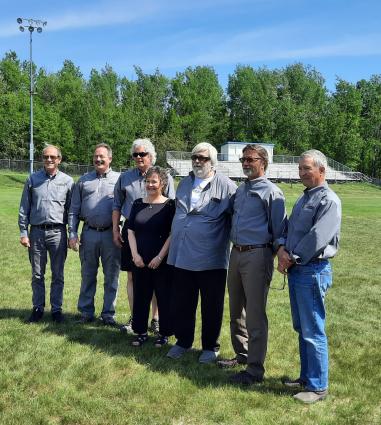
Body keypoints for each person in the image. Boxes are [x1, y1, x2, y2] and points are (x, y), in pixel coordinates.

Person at [217, 144, 287, 385]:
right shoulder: (241, 190)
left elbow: (279, 230)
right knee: (236, 310)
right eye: (243, 159)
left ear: (263, 162)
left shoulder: (273, 193)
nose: (245, 163)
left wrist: (279, 255)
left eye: (250, 159)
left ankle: (255, 370)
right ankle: (242, 355)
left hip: (258, 255)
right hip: (235, 253)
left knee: (255, 315)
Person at [277, 149, 341, 404]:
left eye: (307, 168)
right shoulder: (305, 198)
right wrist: (282, 248)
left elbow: (317, 237)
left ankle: (317, 387)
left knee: (313, 330)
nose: (302, 173)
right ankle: (306, 377)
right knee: (301, 327)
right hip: (297, 270)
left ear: (322, 171)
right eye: (300, 168)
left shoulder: (329, 200)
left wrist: (290, 257)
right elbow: (291, 229)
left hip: (312, 270)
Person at [166, 142, 237, 364]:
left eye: (203, 158)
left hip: (211, 258)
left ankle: (210, 347)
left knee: (211, 304)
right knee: (183, 301)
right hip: (182, 254)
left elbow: (235, 218)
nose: (197, 161)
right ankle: (183, 341)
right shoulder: (185, 182)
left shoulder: (227, 186)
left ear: (212, 161)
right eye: (195, 157)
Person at [112, 138, 175, 333]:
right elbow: (116, 204)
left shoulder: (164, 176)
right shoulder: (125, 177)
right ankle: (136, 318)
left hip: (158, 233)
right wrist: (115, 229)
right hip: (132, 232)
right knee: (133, 276)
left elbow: (171, 205)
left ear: (151, 156)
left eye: (143, 154)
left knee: (156, 277)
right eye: (135, 154)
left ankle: (156, 318)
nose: (139, 157)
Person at [18, 145, 74, 323]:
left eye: (52, 157)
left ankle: (56, 310)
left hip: (58, 232)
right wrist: (23, 232)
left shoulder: (67, 181)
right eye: (45, 157)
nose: (49, 160)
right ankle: (38, 308)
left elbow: (72, 210)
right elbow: (24, 208)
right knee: (37, 274)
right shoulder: (32, 179)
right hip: (36, 233)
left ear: (59, 159)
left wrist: (72, 232)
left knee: (58, 274)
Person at [68, 143, 120, 326]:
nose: (98, 160)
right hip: (88, 233)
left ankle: (108, 314)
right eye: (96, 156)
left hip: (111, 235)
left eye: (102, 157)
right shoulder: (83, 180)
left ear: (110, 159)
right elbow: (74, 210)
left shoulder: (119, 180)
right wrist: (72, 233)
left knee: (111, 276)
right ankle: (86, 311)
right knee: (88, 274)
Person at [127, 166, 176, 347]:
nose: (150, 185)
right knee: (141, 296)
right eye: (147, 181)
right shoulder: (138, 203)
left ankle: (164, 334)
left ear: (162, 183)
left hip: (161, 261)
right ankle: (140, 332)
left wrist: (160, 257)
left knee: (164, 297)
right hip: (139, 260)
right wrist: (135, 255)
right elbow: (130, 230)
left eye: (154, 181)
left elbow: (172, 233)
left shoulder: (170, 205)